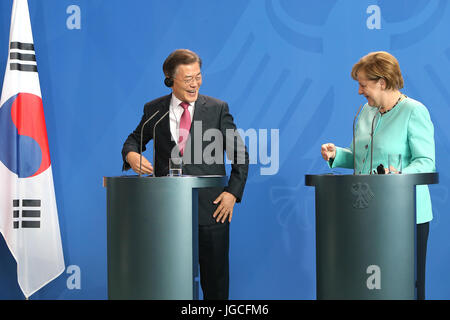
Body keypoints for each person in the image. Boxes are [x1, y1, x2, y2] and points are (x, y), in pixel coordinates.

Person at [121, 49, 249, 300]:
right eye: (188, 79)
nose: (195, 84)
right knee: (166, 282)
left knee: (215, 285)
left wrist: (232, 193)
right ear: (170, 80)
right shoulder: (154, 109)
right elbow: (133, 140)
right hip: (165, 211)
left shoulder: (217, 108)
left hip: (211, 210)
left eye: (198, 77)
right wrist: (131, 155)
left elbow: (240, 155)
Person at [320, 51, 435, 300]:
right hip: (365, 215)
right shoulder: (365, 112)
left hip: (405, 217)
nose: (359, 92)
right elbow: (361, 157)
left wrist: (399, 175)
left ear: (382, 82)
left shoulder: (414, 112)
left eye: (363, 85)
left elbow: (426, 163)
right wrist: (337, 155)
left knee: (405, 286)